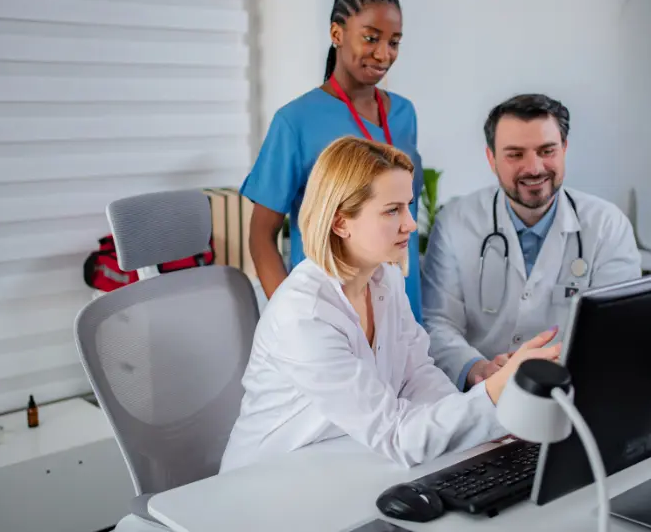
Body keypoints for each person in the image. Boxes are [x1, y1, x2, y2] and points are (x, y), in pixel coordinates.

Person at [219, 137, 560, 472]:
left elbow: (418, 378)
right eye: (392, 210)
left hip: (338, 462)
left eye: (408, 206)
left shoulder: (385, 279)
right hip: (267, 483)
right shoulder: (305, 315)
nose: (410, 223)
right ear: (340, 222)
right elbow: (396, 435)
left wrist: (482, 424)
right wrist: (494, 394)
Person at [422, 93, 642, 391]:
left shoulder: (607, 225)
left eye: (547, 150)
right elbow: (437, 321)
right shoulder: (455, 222)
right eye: (515, 154)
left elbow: (617, 327)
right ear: (492, 159)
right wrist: (476, 368)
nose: (534, 168)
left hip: (572, 391)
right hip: (481, 398)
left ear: (564, 149)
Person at [240, 0, 425, 323]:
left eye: (394, 42)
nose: (384, 54)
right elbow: (260, 235)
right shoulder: (296, 121)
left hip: (403, 307)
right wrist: (291, 319)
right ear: (337, 34)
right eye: (371, 38)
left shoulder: (403, 114)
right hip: (330, 312)